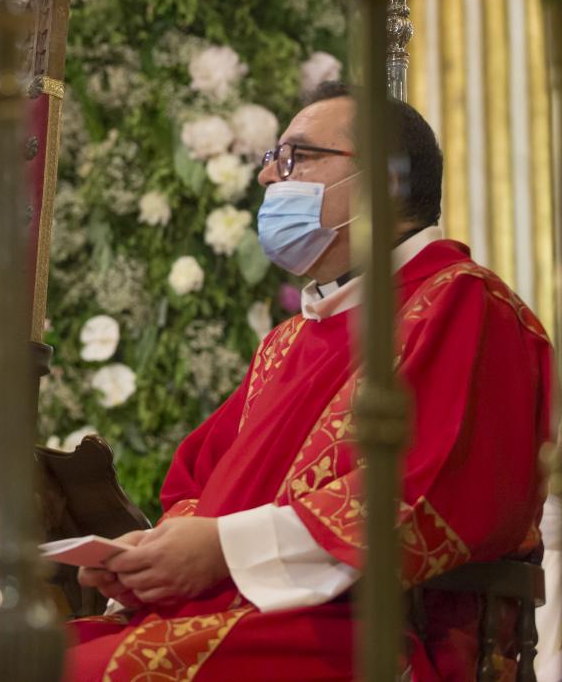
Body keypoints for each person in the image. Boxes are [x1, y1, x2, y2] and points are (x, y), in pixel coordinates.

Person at [65, 83, 553, 680]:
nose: (268, 175)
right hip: (241, 610)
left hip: (382, 630)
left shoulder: (463, 305)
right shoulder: (289, 340)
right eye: (273, 157)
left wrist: (222, 549)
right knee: (7, 654)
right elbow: (200, 484)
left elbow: (431, 493)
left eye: (295, 157)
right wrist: (152, 559)